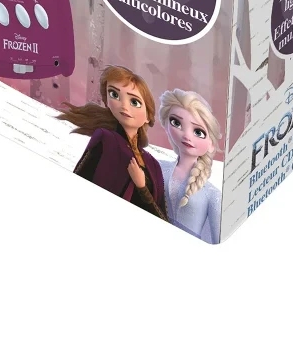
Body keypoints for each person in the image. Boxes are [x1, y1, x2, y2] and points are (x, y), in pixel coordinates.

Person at [57, 66, 166, 220]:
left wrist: (142, 187)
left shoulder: (153, 164)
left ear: (148, 116)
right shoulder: (106, 139)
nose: (124, 106)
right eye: (114, 94)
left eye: (134, 102)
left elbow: (162, 217)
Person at [157, 89, 222, 244]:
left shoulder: (212, 195)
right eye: (176, 123)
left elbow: (218, 241)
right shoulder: (157, 167)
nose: (186, 135)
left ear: (211, 144)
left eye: (198, 132)